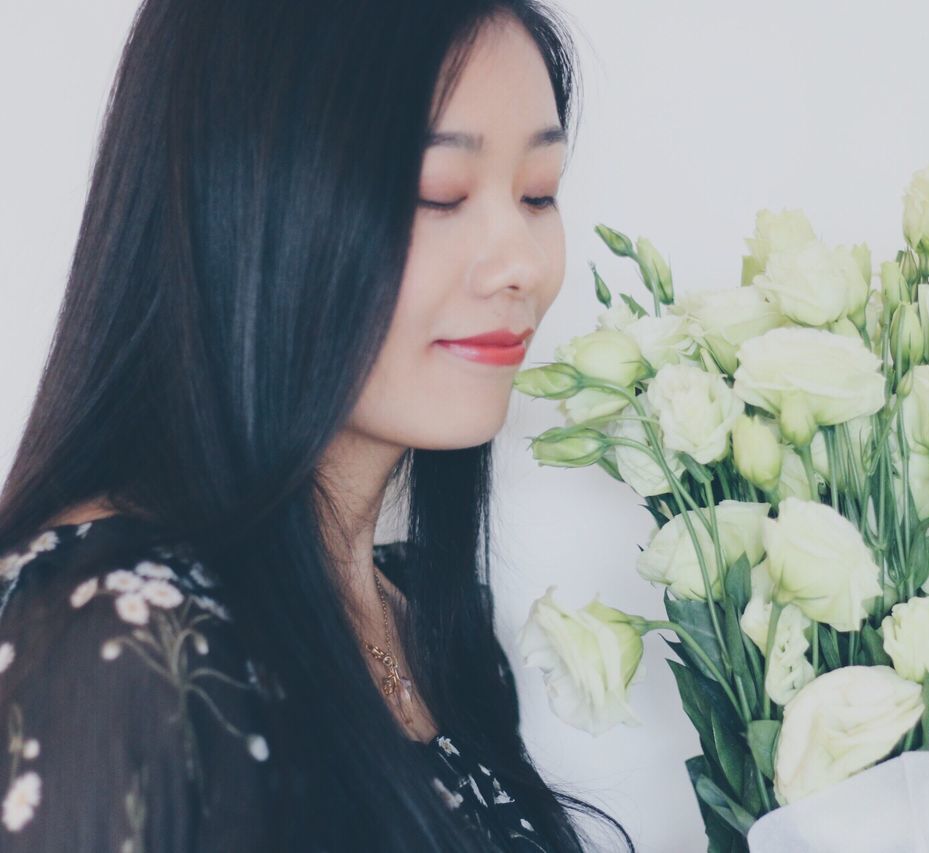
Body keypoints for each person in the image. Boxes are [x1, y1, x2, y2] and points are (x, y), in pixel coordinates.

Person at [0, 1, 633, 850]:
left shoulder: (444, 640)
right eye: (438, 194)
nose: (522, 262)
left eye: (537, 194)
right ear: (248, 200)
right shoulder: (123, 642)